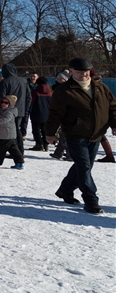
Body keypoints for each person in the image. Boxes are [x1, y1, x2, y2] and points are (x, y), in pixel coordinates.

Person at [45, 58, 116, 214]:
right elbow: (55, 114)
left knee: (85, 166)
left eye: (86, 72)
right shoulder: (64, 90)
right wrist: (50, 133)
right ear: (71, 72)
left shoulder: (100, 87)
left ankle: (65, 189)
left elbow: (112, 108)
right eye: (79, 72)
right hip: (75, 134)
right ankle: (91, 201)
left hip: (96, 134)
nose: (83, 75)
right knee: (84, 167)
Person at [0, 63, 30, 155]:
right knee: (17, 130)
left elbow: (1, 97)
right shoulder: (23, 81)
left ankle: (17, 151)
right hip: (20, 110)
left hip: (8, 110)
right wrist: (26, 108)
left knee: (12, 131)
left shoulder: (5, 82)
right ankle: (19, 150)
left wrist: (0, 110)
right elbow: (29, 96)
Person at [0, 96, 25, 169]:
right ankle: (19, 162)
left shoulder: (9, 112)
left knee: (0, 149)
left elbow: (3, 121)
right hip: (7, 134)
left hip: (7, 134)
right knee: (13, 149)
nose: (3, 104)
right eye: (2, 102)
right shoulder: (3, 110)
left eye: (6, 103)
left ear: (10, 104)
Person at [29, 77, 52, 151]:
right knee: (44, 129)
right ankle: (46, 144)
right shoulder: (50, 92)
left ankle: (39, 144)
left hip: (36, 112)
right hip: (47, 113)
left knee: (36, 130)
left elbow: (31, 102)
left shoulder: (35, 92)